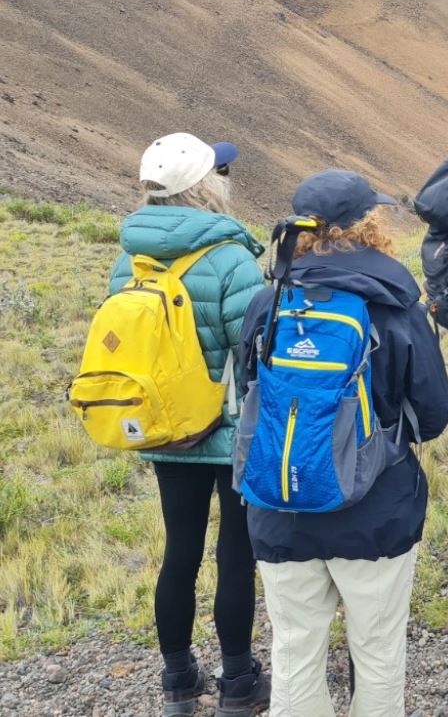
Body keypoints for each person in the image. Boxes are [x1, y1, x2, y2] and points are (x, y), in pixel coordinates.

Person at [240, 170, 448, 717]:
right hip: (376, 511)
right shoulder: (394, 301)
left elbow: (245, 399)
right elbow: (434, 412)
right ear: (369, 225)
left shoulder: (269, 301)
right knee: (379, 653)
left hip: (277, 505)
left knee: (293, 653)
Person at [110, 133, 270, 716]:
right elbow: (252, 351)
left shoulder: (129, 256)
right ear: (207, 184)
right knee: (235, 553)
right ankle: (237, 683)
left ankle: (178, 680)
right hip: (226, 431)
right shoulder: (231, 257)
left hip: (164, 430)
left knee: (179, 551)